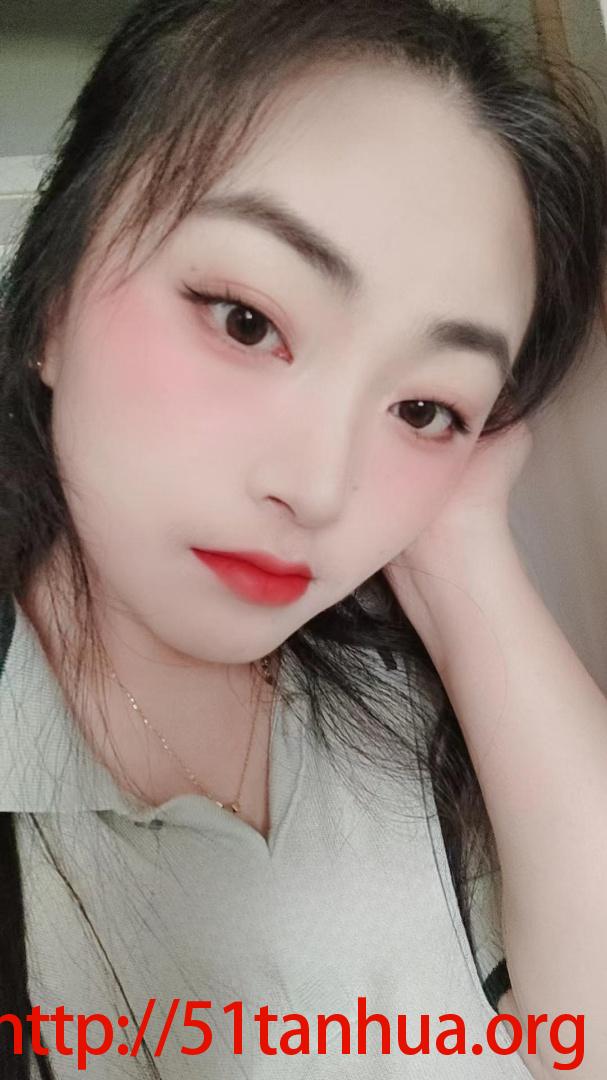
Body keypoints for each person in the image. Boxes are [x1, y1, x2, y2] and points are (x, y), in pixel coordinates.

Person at [0, 0, 606, 1076]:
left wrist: (459, 548)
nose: (322, 490)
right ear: (52, 301)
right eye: (247, 320)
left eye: (424, 407)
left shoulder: (409, 694)